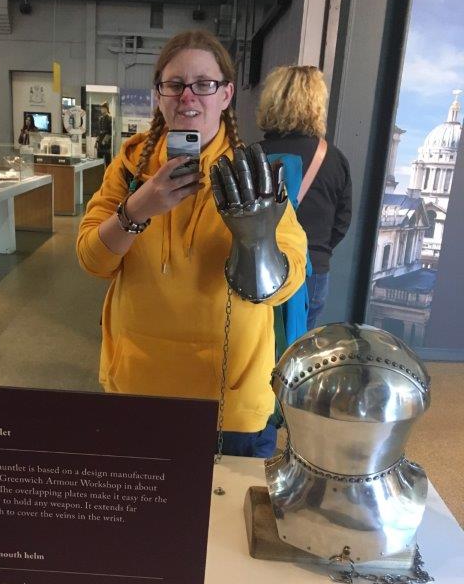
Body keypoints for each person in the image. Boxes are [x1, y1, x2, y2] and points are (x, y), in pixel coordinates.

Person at [77, 30, 307, 458]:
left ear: (226, 94)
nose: (188, 97)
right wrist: (138, 208)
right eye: (175, 84)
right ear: (159, 95)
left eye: (204, 84)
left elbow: (287, 280)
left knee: (224, 504)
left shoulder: (252, 174)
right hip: (137, 387)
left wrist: (257, 239)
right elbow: (92, 259)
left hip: (229, 400)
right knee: (140, 499)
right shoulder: (129, 168)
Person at [257, 65, 352, 329]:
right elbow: (342, 222)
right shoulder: (334, 159)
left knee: (257, 342)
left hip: (261, 270)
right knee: (299, 347)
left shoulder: (251, 156)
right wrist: (315, 251)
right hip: (312, 273)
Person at [95, 102, 113, 167]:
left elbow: (110, 132)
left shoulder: (109, 118)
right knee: (99, 162)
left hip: (106, 143)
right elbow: (99, 132)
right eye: (101, 108)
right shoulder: (100, 119)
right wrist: (97, 141)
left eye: (103, 108)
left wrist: (104, 141)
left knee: (108, 162)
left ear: (106, 109)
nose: (101, 109)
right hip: (100, 142)